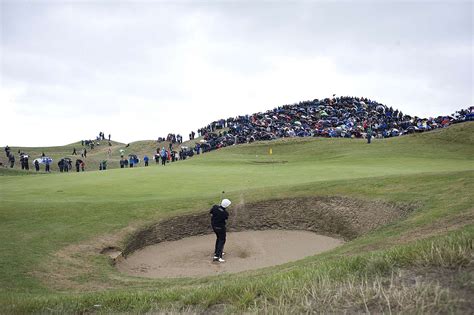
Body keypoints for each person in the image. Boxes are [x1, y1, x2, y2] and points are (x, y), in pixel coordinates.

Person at [210, 199, 232, 263]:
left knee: (219, 238)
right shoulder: (225, 213)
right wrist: (221, 210)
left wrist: (218, 207)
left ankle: (217, 252)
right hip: (221, 228)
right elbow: (225, 218)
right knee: (222, 240)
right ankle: (217, 257)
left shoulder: (215, 207)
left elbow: (211, 212)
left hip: (214, 226)